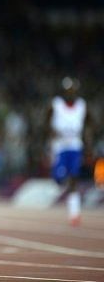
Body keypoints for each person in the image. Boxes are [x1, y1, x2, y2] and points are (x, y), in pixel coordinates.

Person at [45, 77, 92, 226]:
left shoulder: (81, 105)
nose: (70, 93)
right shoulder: (56, 105)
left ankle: (74, 213)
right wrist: (50, 134)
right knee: (58, 178)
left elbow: (90, 123)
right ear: (63, 91)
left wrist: (88, 142)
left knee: (74, 179)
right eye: (67, 91)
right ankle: (62, 189)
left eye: (72, 90)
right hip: (60, 146)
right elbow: (45, 121)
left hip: (75, 145)